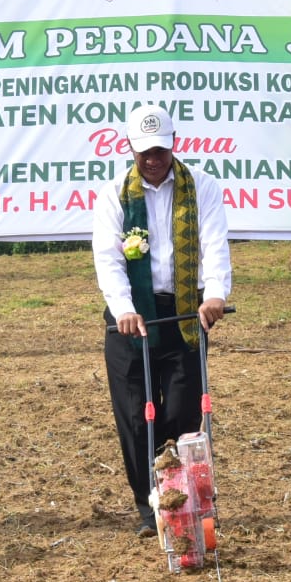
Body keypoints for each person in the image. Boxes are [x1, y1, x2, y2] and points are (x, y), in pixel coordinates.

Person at [92, 104, 231, 537]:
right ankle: (147, 504)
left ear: (173, 145)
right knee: (136, 415)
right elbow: (108, 258)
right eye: (144, 152)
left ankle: (181, 489)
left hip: (184, 313)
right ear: (131, 149)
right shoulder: (114, 192)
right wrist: (123, 308)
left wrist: (214, 295)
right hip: (131, 317)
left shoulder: (201, 187)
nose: (152, 160)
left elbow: (214, 243)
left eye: (160, 150)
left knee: (184, 409)